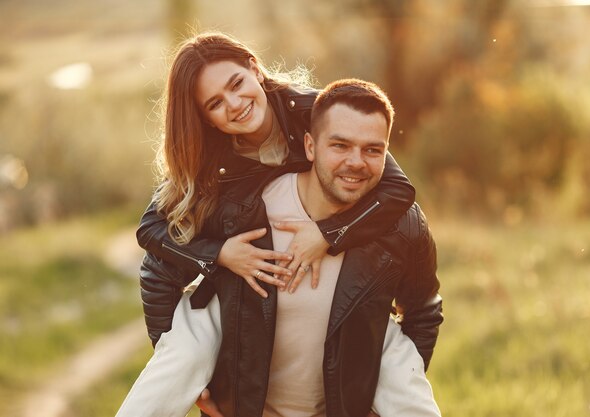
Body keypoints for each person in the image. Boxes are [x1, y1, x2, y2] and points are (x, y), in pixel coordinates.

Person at [120, 32, 440, 416]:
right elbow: (152, 236)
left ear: (255, 68)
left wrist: (327, 235)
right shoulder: (213, 169)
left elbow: (397, 189)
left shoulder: (313, 110)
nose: (235, 105)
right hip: (239, 321)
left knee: (386, 350)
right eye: (215, 104)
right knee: (195, 332)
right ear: (206, 119)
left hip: (338, 301)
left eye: (237, 84)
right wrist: (219, 254)